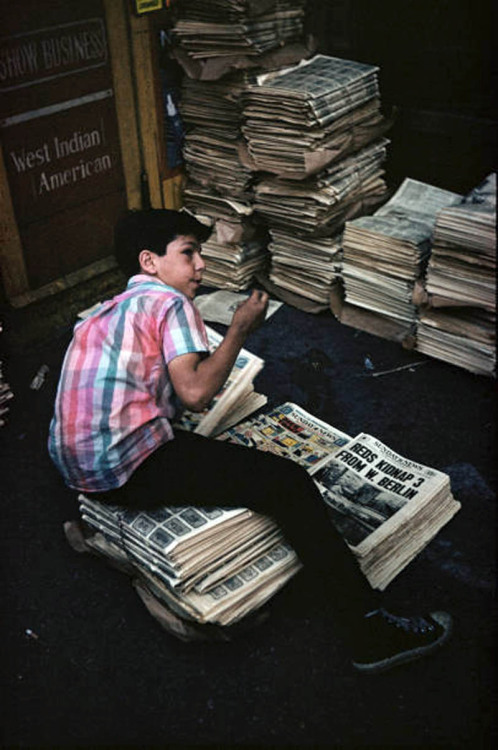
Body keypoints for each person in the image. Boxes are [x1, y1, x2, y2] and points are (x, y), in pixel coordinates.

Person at [48, 208, 452, 674]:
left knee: (219, 454)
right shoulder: (169, 303)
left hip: (75, 469)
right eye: (188, 253)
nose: (201, 265)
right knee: (289, 482)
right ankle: (367, 630)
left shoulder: (103, 313)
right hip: (127, 466)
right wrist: (239, 328)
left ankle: (101, 534)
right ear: (149, 262)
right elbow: (197, 394)